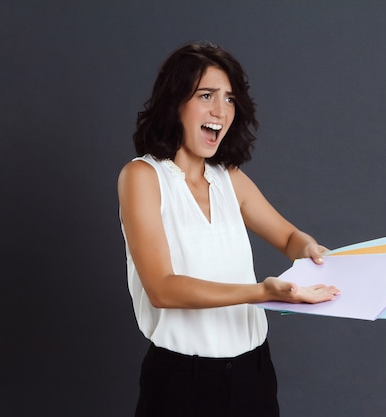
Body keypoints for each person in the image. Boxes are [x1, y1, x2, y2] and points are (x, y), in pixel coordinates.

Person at [118, 41, 339, 417]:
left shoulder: (228, 178)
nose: (221, 111)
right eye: (206, 96)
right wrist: (260, 292)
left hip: (253, 373)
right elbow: (161, 288)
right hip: (181, 381)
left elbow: (288, 238)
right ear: (175, 103)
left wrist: (311, 250)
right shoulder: (142, 176)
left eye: (230, 99)